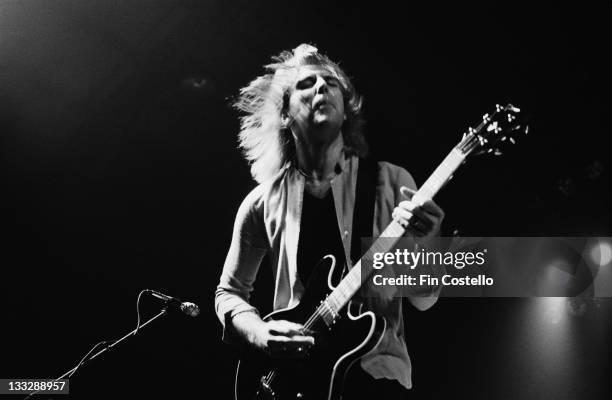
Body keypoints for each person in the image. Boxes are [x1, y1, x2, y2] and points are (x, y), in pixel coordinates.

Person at [215, 44, 445, 398]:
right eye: (307, 83)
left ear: (347, 110)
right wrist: (259, 333)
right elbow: (229, 294)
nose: (322, 88)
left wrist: (429, 238)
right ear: (285, 114)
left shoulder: (391, 183)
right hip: (292, 381)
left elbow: (424, 299)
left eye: (331, 83)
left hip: (377, 377)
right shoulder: (261, 202)